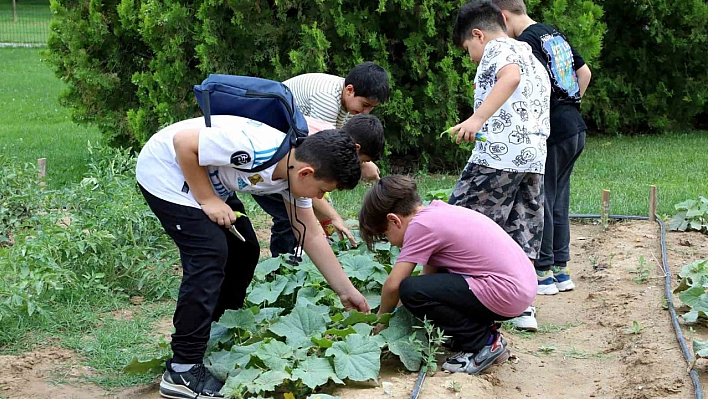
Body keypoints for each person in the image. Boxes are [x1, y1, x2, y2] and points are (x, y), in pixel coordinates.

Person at [135, 115, 370, 399]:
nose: (320, 197)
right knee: (210, 253)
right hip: (167, 171)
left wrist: (346, 291)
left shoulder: (293, 171)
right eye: (323, 191)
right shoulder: (256, 149)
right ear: (306, 173)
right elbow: (184, 143)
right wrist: (208, 200)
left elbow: (309, 232)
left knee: (244, 249)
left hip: (207, 176)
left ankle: (212, 333)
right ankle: (182, 368)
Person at [358, 175, 536, 375]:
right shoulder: (437, 212)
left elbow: (394, 286)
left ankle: (483, 343)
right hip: (519, 289)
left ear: (394, 220)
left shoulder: (420, 226)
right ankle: (478, 331)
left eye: (385, 235)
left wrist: (381, 321)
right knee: (420, 288)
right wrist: (399, 320)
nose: (389, 242)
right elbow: (430, 278)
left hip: (506, 292)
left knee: (409, 288)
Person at [447, 0, 551, 331]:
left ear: (478, 35)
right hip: (533, 158)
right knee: (523, 224)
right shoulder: (530, 54)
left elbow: (510, 77)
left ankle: (456, 300)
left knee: (459, 220)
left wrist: (477, 119)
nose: (471, 57)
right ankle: (523, 307)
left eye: (467, 49)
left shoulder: (498, 49)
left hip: (498, 156)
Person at [491, 0, 592, 294]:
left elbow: (521, 83)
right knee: (559, 199)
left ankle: (544, 273)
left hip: (553, 130)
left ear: (502, 16)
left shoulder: (524, 43)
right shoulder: (552, 33)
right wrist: (570, 105)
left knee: (542, 199)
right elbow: (583, 73)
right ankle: (562, 270)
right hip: (575, 127)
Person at [253, 114, 385, 257]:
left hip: (280, 173)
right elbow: (310, 188)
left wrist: (330, 223)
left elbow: (315, 195)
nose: (360, 165)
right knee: (287, 217)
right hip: (266, 169)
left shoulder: (333, 140)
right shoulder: (323, 148)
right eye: (363, 161)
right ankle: (281, 261)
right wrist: (334, 217)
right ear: (356, 149)